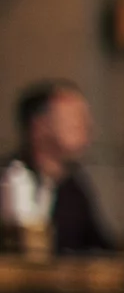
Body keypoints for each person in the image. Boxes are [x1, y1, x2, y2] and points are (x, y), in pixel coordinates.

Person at [9, 80, 113, 254]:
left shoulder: (73, 188)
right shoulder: (9, 179)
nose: (86, 127)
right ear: (39, 125)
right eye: (74, 118)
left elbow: (100, 249)